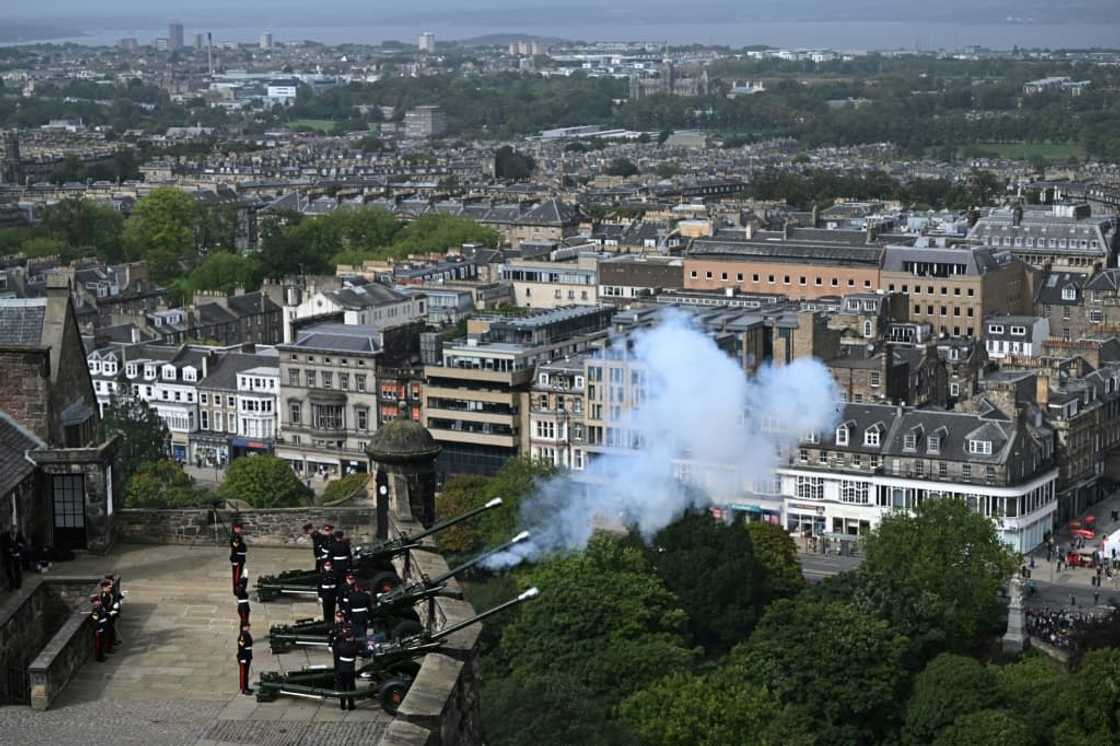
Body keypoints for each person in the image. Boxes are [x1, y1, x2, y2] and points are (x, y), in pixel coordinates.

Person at [333, 630, 359, 711]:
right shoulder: (354, 646)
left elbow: (336, 655)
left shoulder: (340, 645)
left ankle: (342, 705)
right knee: (350, 687)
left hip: (341, 668)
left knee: (342, 687)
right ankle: (351, 705)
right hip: (350, 669)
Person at [1, 524, 25, 591]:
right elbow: (3, 545)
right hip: (8, 555)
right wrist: (8, 549)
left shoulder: (19, 535)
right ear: (10, 531)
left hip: (17, 554)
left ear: (17, 531)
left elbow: (24, 543)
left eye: (15, 532)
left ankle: (18, 584)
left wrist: (20, 547)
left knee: (18, 570)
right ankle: (11, 584)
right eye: (13, 533)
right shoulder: (4, 536)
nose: (14, 534)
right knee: (9, 570)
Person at [100, 579, 120, 653]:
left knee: (111, 631)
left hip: (111, 616)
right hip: (107, 616)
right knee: (108, 633)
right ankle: (108, 648)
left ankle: (111, 645)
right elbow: (105, 607)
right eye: (109, 587)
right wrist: (111, 610)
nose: (110, 588)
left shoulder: (108, 593)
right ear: (104, 587)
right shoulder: (104, 595)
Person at [229, 523, 247, 596]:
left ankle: (238, 589)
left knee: (238, 574)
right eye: (237, 528)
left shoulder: (238, 536)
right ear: (234, 529)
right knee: (236, 575)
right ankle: (236, 590)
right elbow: (235, 548)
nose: (238, 529)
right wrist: (235, 560)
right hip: (237, 559)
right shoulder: (235, 537)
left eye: (239, 528)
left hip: (240, 558)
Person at [237, 622, 254, 695]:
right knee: (243, 673)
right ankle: (244, 689)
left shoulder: (246, 634)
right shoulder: (242, 636)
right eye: (247, 626)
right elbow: (241, 648)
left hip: (247, 656)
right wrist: (242, 658)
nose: (249, 627)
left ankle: (246, 687)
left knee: (246, 673)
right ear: (243, 627)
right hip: (243, 656)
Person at [91, 595, 108, 662]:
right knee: (99, 644)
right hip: (99, 628)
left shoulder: (100, 607)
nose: (98, 602)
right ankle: (99, 657)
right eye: (97, 601)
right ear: (94, 602)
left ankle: (102, 655)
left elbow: (104, 613)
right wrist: (98, 629)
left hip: (103, 626)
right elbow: (95, 621)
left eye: (99, 600)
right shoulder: (95, 610)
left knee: (102, 642)